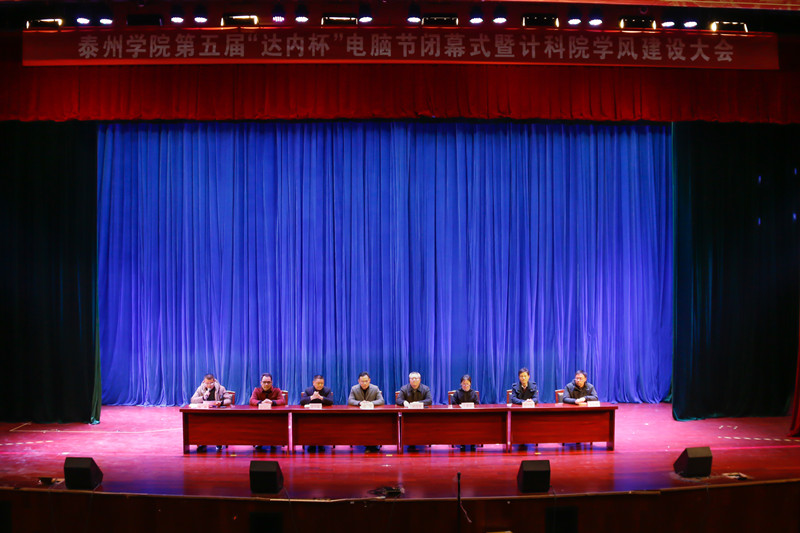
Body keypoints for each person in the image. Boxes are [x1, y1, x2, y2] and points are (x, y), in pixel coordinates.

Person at [190, 373, 231, 452]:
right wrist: (202, 397)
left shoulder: (221, 388)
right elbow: (193, 400)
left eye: (211, 383)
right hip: (205, 414)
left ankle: (218, 442)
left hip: (217, 414)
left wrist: (221, 403)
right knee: (201, 424)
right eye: (207, 383)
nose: (209, 385)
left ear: (214, 381)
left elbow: (228, 400)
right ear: (204, 382)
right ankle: (202, 442)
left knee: (217, 424)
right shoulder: (200, 389)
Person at [348, 372, 385, 452]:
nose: (364, 383)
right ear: (358, 381)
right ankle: (366, 443)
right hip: (359, 415)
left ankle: (372, 445)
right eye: (362, 381)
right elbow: (350, 401)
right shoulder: (354, 388)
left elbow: (381, 401)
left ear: (369, 380)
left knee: (373, 425)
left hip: (373, 415)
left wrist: (371, 403)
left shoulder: (375, 388)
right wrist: (359, 403)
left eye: (366, 381)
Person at [452, 374, 479, 451]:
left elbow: (477, 404)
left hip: (472, 415)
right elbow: (453, 404)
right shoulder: (457, 393)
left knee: (474, 424)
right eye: (464, 384)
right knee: (461, 423)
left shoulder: (473, 393)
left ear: (470, 384)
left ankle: (473, 442)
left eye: (467, 384)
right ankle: (462, 443)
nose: (465, 386)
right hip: (460, 415)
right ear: (461, 384)